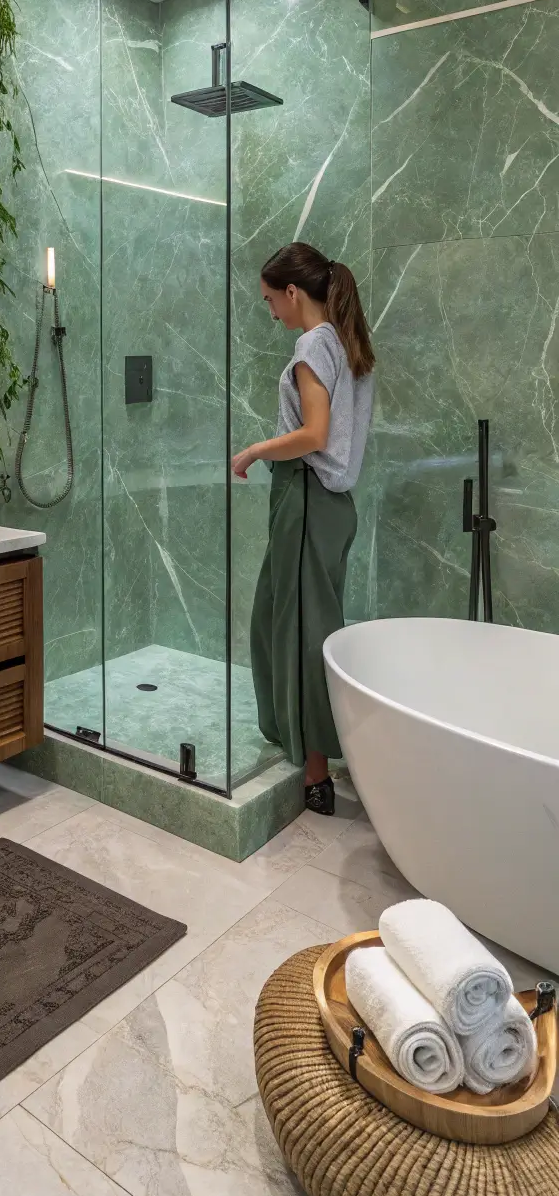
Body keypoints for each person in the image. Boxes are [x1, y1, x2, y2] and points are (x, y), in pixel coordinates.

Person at [231, 243, 375, 816]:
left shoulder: (315, 343)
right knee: (285, 620)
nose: (271, 312)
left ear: (293, 292)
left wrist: (254, 450)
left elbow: (315, 434)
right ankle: (312, 743)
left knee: (299, 631)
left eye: (271, 299)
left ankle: (316, 769)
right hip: (330, 504)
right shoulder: (346, 342)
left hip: (309, 497)